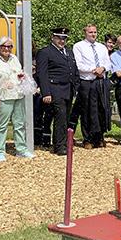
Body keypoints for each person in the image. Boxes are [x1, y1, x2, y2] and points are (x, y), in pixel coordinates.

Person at [35, 27, 78, 155]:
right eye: (59, 38)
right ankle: (59, 146)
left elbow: (73, 70)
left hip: (68, 89)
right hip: (55, 89)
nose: (62, 41)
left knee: (65, 118)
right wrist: (46, 92)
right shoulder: (45, 52)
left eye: (64, 38)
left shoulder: (69, 52)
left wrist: (75, 87)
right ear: (53, 38)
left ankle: (64, 143)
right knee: (60, 116)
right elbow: (42, 73)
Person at [0, 36, 32, 161]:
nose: (7, 49)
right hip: (3, 96)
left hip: (18, 94)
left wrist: (22, 76)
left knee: (19, 124)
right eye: (4, 46)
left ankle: (21, 149)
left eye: (9, 46)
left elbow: (18, 72)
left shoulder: (14, 58)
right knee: (1, 125)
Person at [73, 24, 113, 149]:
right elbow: (78, 65)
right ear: (85, 33)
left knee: (102, 109)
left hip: (101, 81)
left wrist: (103, 69)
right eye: (90, 32)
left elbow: (108, 63)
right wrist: (93, 70)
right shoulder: (79, 46)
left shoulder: (101, 47)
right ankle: (88, 139)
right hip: (87, 81)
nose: (93, 34)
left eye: (95, 32)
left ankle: (99, 137)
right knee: (87, 110)